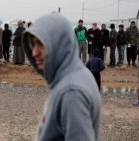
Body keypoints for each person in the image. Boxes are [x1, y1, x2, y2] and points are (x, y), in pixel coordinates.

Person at [22, 13, 101, 141]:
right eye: (33, 44)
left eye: (41, 44)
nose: (34, 52)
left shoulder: (71, 91)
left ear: (59, 43)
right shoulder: (76, 74)